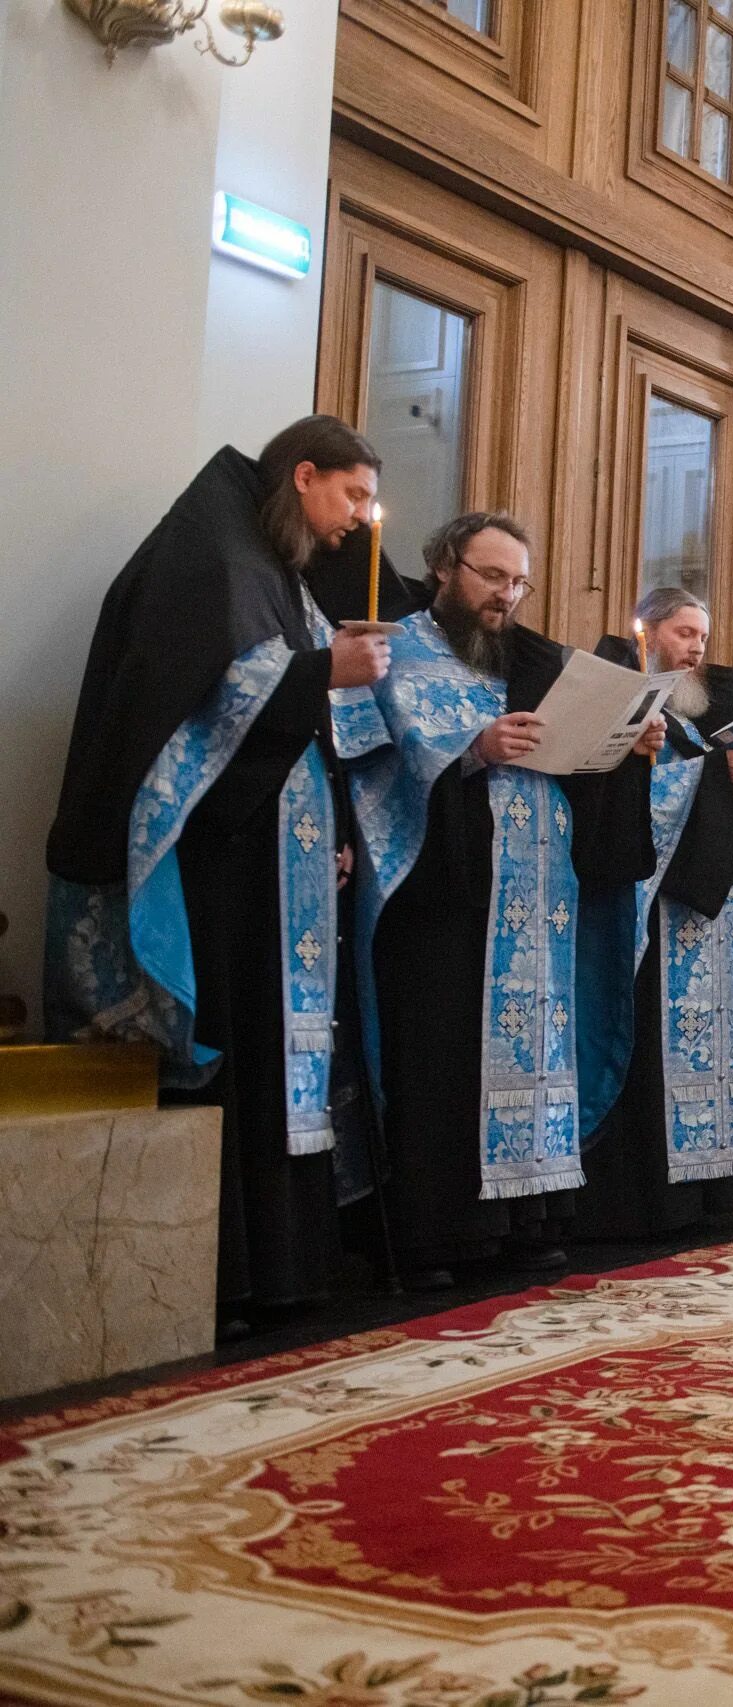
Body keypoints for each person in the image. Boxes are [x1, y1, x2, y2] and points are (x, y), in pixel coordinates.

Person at [46, 415, 389, 1326]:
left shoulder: (272, 561)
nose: (361, 515)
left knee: (287, 1053)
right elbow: (203, 698)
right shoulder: (218, 556)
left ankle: (287, 1270)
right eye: (353, 494)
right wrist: (325, 669)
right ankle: (229, 1276)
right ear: (305, 474)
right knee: (241, 1045)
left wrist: (341, 822)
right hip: (224, 864)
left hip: (287, 861)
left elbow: (300, 707)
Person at [348, 511, 661, 1290]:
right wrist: (475, 749)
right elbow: (378, 763)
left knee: (535, 1055)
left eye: (518, 581)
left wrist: (627, 750)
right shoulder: (400, 651)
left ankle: (529, 1223)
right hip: (446, 900)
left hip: (540, 898)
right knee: (443, 1061)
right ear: (446, 565)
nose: (506, 595)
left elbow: (578, 760)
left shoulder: (533, 657)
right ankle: (440, 1235)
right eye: (493, 576)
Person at [573, 588, 733, 1239]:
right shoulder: (628, 703)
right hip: (662, 909)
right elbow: (623, 796)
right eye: (683, 632)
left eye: (702, 634)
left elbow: (715, 785)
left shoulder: (694, 718)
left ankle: (711, 1189)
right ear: (648, 631)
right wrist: (712, 776)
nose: (696, 647)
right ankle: (655, 1199)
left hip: (720, 906)